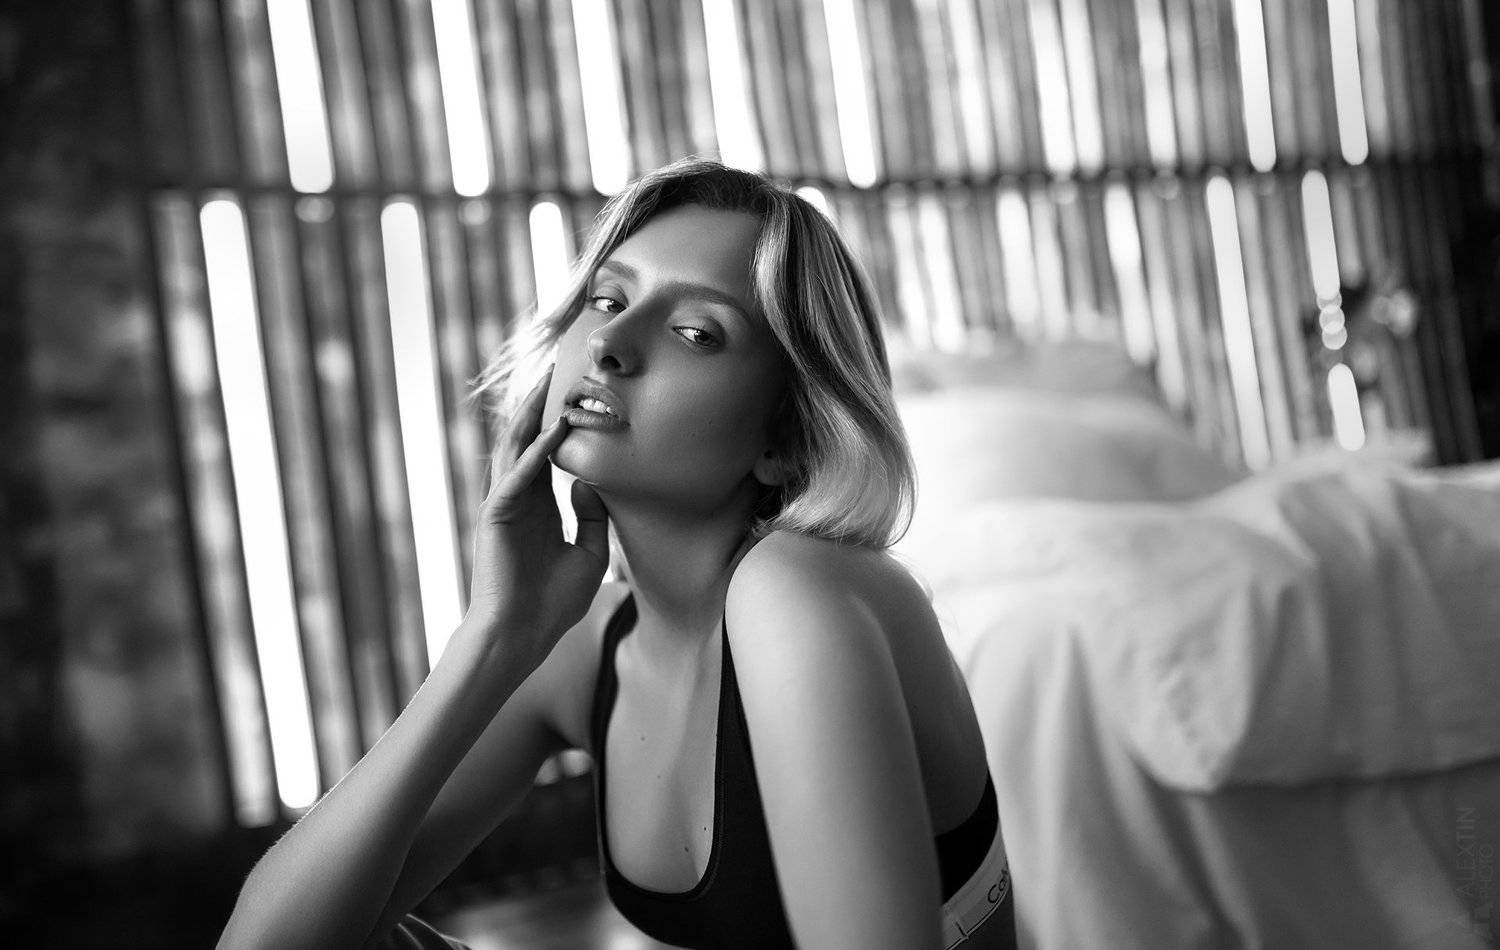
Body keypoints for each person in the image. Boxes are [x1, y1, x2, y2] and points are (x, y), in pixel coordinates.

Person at [217, 158, 1014, 950]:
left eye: (695, 332)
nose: (608, 344)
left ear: (785, 438)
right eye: (608, 299)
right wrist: (494, 637)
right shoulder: (585, 646)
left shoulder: (798, 590)